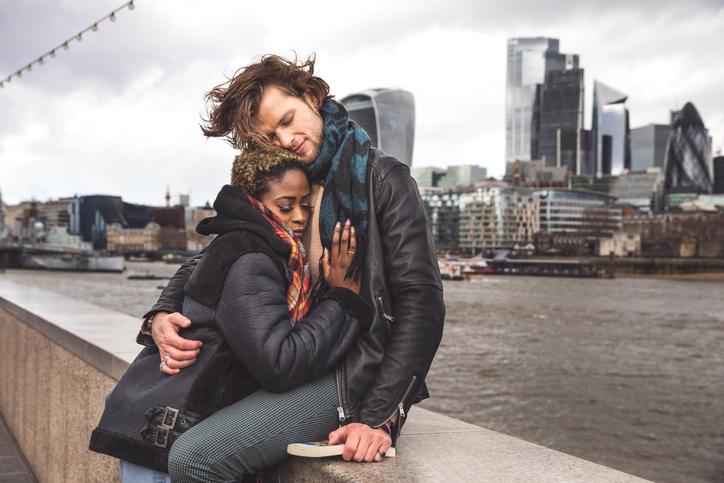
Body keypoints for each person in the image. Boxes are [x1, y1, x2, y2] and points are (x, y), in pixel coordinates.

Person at [142, 53, 445, 481]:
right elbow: (215, 257)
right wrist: (160, 315)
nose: (285, 139)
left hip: (349, 370)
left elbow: (422, 301)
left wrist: (380, 416)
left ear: (312, 95)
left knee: (194, 458)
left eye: (287, 119)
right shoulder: (284, 184)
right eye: (270, 135)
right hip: (285, 356)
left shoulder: (383, 178)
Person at [90, 145, 372, 482]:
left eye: (305, 206)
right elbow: (279, 363)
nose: (300, 217)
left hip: (153, 421)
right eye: (286, 206)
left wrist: (160, 312)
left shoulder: (244, 240)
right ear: (253, 202)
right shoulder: (252, 257)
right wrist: (342, 298)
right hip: (166, 437)